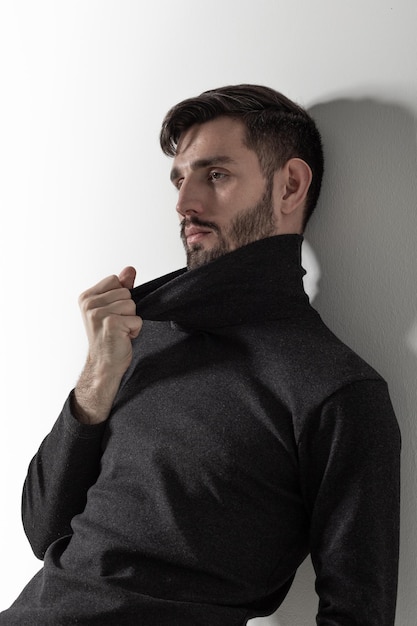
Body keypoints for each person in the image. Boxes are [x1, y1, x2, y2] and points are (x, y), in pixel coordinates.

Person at [0, 85, 400, 626]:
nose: (184, 202)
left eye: (215, 175)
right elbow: (43, 531)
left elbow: (358, 613)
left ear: (290, 186)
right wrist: (96, 378)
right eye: (180, 177)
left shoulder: (336, 390)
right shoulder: (144, 336)